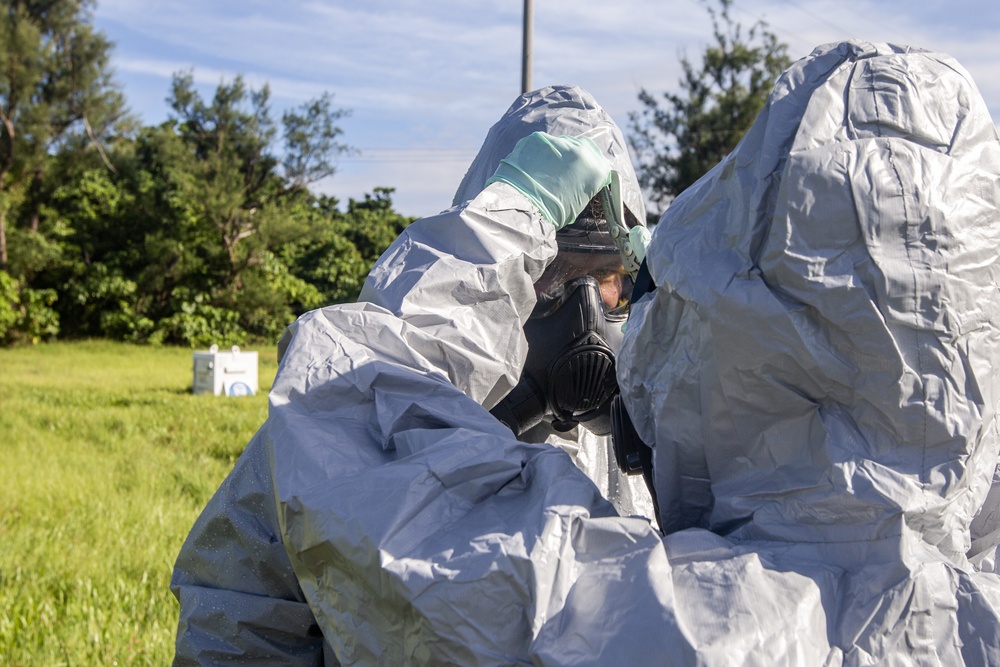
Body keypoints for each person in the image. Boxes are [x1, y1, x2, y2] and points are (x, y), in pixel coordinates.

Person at [172, 40, 1000, 665]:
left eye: (607, 279)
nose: (582, 310)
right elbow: (237, 605)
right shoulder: (970, 580)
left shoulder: (619, 582)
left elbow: (346, 413)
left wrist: (497, 234)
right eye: (547, 271)